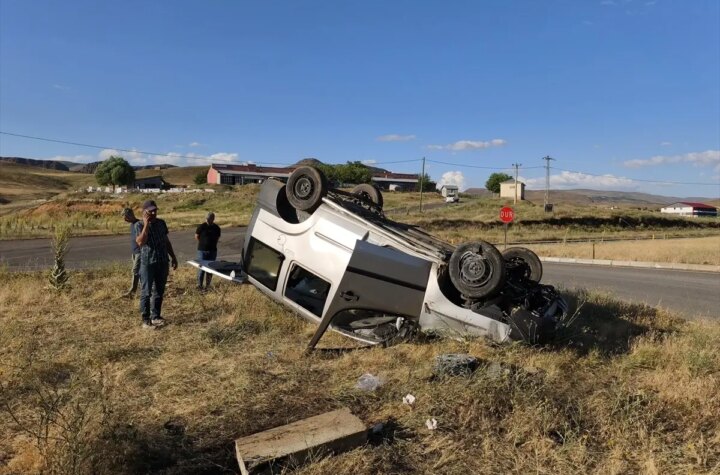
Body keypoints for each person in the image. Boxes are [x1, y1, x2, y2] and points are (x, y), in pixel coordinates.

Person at [134, 200, 178, 328]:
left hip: (162, 261)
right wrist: (146, 225)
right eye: (150, 211)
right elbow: (140, 242)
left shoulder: (161, 223)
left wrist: (173, 257)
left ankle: (156, 316)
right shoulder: (139, 225)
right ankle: (145, 319)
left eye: (155, 211)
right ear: (144, 212)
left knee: (159, 290)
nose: (153, 213)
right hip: (148, 263)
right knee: (146, 292)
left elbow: (166, 241)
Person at [195, 211, 221, 290]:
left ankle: (208, 286)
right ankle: (199, 285)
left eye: (209, 219)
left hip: (212, 251)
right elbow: (196, 236)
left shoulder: (216, 228)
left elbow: (218, 237)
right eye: (207, 219)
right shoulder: (202, 226)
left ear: (213, 219)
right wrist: (203, 243)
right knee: (201, 268)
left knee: (210, 268)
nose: (208, 220)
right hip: (202, 251)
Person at [121, 208, 141, 297]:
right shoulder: (132, 225)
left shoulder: (139, 224)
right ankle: (144, 289)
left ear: (130, 215)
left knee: (135, 271)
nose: (124, 220)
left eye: (125, 217)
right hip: (135, 252)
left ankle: (132, 291)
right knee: (139, 271)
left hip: (140, 252)